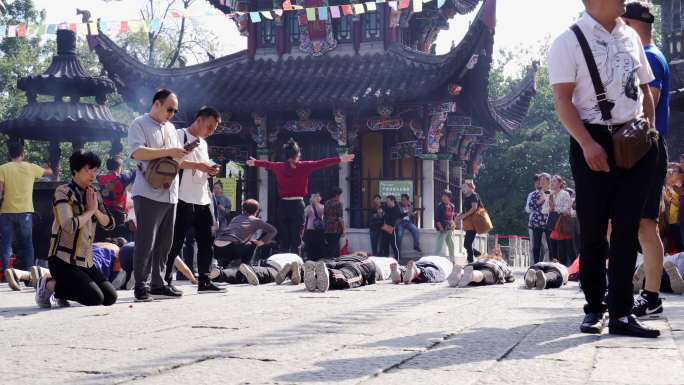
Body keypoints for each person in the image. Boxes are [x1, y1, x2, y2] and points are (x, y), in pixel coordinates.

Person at [549, 0, 660, 337]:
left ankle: (622, 313)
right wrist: (586, 143)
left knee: (627, 229)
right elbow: (562, 100)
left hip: (635, 139)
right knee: (595, 229)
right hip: (592, 138)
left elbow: (645, 90)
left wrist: (650, 131)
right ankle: (595, 308)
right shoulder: (567, 41)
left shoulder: (630, 37)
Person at [622, 1, 672, 320]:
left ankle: (651, 295)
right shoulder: (650, 55)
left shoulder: (650, 57)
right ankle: (635, 290)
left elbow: (646, 106)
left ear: (630, 24)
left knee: (645, 225)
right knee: (638, 224)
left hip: (645, 146)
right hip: (643, 147)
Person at [127, 89, 194, 301]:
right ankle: (141, 284)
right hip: (147, 191)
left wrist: (183, 155)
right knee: (146, 240)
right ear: (156, 104)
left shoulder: (172, 128)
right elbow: (137, 153)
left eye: (175, 110)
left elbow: (174, 159)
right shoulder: (139, 123)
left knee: (165, 242)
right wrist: (169, 152)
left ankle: (159, 283)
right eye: (169, 109)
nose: (172, 113)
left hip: (170, 191)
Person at [34, 151, 116, 308]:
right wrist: (89, 212)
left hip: (85, 261)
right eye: (87, 170)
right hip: (62, 260)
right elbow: (68, 226)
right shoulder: (63, 192)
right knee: (94, 298)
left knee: (110, 297)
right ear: (75, 170)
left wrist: (95, 210)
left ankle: (66, 289)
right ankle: (47, 284)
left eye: (95, 170)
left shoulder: (94, 193)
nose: (92, 175)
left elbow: (109, 224)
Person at [246, 139, 354, 255]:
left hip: (283, 206)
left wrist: (255, 162)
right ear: (297, 155)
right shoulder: (303, 166)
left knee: (285, 241)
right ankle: (296, 266)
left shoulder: (279, 167)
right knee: (296, 241)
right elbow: (322, 163)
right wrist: (341, 159)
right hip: (297, 206)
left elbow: (266, 164)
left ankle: (282, 267)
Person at [164, 106, 224, 295]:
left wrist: (210, 169)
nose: (211, 131)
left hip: (202, 198)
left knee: (207, 240)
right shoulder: (178, 135)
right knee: (176, 241)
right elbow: (172, 161)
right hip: (182, 197)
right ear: (199, 120)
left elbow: (202, 168)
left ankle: (204, 280)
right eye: (209, 126)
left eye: (214, 129)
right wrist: (198, 165)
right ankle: (165, 280)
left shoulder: (203, 144)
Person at [0, 139, 52, 278]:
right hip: (26, 212)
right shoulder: (30, 167)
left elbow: (0, 191)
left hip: (6, 212)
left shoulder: (3, 168)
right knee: (28, 244)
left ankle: (6, 273)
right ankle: (30, 274)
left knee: (5, 244)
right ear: (22, 154)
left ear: (9, 154)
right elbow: (49, 173)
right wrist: (46, 167)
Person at [214, 199, 278, 267]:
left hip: (216, 248)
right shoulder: (256, 221)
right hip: (231, 248)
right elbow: (273, 230)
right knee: (253, 244)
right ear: (257, 211)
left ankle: (224, 269)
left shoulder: (236, 218)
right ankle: (245, 267)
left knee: (236, 242)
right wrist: (261, 242)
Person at [95, 156, 135, 241]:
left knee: (103, 238)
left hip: (103, 211)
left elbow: (98, 175)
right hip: (118, 213)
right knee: (118, 240)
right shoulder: (123, 178)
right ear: (119, 167)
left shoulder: (100, 178)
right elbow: (134, 173)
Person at [213, 253, 303, 286]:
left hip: (271, 262)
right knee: (302, 272)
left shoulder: (278, 255)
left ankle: (221, 274)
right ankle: (293, 271)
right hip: (284, 266)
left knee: (240, 274)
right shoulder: (297, 257)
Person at [302, 252, 377, 292]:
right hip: (354, 265)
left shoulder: (344, 256)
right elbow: (372, 278)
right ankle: (329, 274)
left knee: (324, 266)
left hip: (335, 261)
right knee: (345, 275)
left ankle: (313, 273)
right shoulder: (367, 260)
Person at [542, 175, 575, 266]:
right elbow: (543, 209)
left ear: (560, 183)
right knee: (553, 247)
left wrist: (554, 208)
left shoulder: (565, 193)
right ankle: (556, 268)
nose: (552, 183)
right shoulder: (549, 194)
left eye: (554, 181)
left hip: (562, 222)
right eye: (551, 181)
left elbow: (567, 208)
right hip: (552, 222)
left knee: (566, 248)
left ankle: (570, 268)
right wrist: (550, 209)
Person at [447, 255, 515, 288]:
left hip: (474, 264)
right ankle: (470, 275)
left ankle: (461, 273)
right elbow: (511, 277)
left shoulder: (481, 259)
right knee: (482, 274)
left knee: (472, 270)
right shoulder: (501, 263)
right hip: (490, 267)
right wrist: (510, 278)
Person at [528, 173, 552, 264]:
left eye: (543, 180)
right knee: (536, 246)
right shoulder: (535, 194)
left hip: (549, 222)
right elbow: (530, 206)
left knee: (550, 245)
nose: (540, 182)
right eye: (540, 180)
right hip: (537, 222)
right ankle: (535, 265)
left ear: (548, 181)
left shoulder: (552, 193)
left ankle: (551, 265)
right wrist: (540, 201)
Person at [458, 181, 482, 263]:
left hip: (474, 222)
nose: (463, 188)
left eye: (465, 187)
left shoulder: (474, 195)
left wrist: (464, 215)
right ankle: (479, 256)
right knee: (467, 244)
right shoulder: (467, 197)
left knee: (467, 244)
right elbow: (465, 210)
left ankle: (471, 260)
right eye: (462, 187)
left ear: (470, 188)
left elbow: (474, 208)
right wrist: (459, 215)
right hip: (469, 223)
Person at [323, 187, 345, 259]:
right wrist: (344, 230)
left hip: (327, 227)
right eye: (340, 195)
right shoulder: (339, 204)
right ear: (337, 195)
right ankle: (335, 263)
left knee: (329, 245)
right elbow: (340, 218)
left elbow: (325, 215)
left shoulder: (327, 203)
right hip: (336, 228)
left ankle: (328, 261)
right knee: (335, 246)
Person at [434, 190, 455, 261]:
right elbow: (437, 218)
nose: (443, 197)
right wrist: (441, 228)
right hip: (442, 228)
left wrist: (452, 226)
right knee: (439, 245)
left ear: (449, 197)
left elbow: (452, 217)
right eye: (443, 196)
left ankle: (452, 260)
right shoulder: (440, 206)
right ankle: (435, 260)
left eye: (445, 196)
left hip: (449, 228)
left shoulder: (452, 206)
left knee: (451, 245)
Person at [303, 193, 325, 260]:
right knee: (319, 247)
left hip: (311, 229)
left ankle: (310, 261)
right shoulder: (322, 207)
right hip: (320, 229)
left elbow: (303, 217)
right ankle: (318, 261)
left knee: (310, 248)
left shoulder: (309, 207)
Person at [381, 195, 402, 260]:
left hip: (393, 229)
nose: (387, 202)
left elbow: (393, 219)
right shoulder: (386, 207)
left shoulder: (397, 209)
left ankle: (397, 261)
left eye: (388, 201)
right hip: (386, 229)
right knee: (385, 245)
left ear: (392, 201)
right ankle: (386, 260)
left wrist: (385, 214)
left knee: (394, 246)